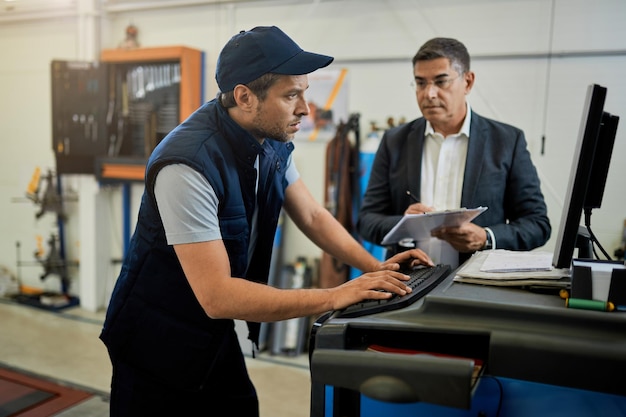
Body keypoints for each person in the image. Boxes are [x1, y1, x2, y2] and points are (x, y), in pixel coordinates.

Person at [99, 26, 433, 417]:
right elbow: (218, 295)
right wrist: (335, 295)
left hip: (209, 331)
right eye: (291, 95)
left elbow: (311, 214)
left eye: (304, 93)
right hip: (155, 338)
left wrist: (376, 269)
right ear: (244, 97)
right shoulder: (186, 165)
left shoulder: (271, 140)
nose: (305, 109)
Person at [357, 37, 551, 268]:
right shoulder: (394, 141)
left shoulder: (507, 142)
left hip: (478, 284)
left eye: (441, 81)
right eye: (420, 83)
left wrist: (486, 238)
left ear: (467, 82)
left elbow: (538, 224)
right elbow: (367, 221)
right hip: (407, 281)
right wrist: (404, 225)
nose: (429, 93)